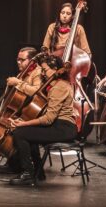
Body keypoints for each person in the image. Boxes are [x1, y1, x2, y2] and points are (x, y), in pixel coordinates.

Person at [7, 55, 77, 185]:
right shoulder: (55, 85)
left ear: (55, 69)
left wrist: (24, 123)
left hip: (63, 128)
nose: (42, 74)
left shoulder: (59, 87)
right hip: (58, 125)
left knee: (19, 133)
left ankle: (28, 173)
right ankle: (38, 172)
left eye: (45, 70)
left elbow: (48, 119)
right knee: (28, 133)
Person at [0, 47, 44, 175]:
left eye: (22, 60)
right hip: (22, 110)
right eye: (17, 59)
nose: (18, 62)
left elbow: (36, 91)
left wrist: (18, 83)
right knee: (3, 124)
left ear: (31, 60)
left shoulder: (37, 72)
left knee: (13, 129)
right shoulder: (24, 72)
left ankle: (17, 164)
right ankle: (13, 161)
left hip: (32, 112)